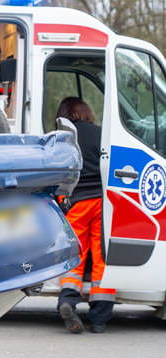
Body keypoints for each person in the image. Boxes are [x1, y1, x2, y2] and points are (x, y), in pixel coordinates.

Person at [55, 97, 115, 334]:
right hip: (101, 202)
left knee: (75, 255)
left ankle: (68, 301)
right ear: (86, 112)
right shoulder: (101, 134)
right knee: (101, 257)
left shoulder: (62, 137)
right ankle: (100, 317)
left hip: (76, 202)